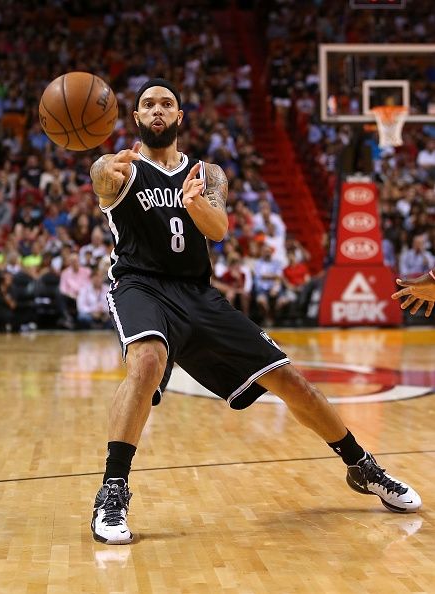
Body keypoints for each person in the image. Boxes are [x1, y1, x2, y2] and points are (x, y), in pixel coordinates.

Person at [89, 78, 421, 545]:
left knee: (290, 380)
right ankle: (113, 489)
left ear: (180, 117)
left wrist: (196, 203)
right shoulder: (120, 168)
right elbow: (102, 183)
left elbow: (219, 230)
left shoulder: (209, 173)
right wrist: (104, 170)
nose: (157, 110)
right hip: (140, 285)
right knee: (146, 361)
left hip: (198, 294)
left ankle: (362, 467)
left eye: (167, 103)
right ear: (137, 118)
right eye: (148, 105)